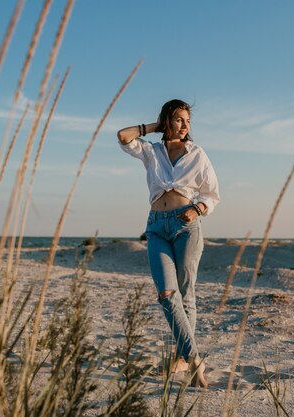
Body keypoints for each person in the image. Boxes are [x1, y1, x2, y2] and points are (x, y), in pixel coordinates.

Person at [117, 99, 219, 388]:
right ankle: (194, 356)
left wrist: (198, 209)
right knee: (166, 293)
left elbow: (212, 194)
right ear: (167, 122)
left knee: (186, 295)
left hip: (186, 227)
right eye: (179, 120)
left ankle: (182, 358)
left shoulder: (197, 154)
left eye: (188, 120)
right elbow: (123, 137)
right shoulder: (152, 151)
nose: (185, 125)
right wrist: (154, 127)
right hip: (156, 227)